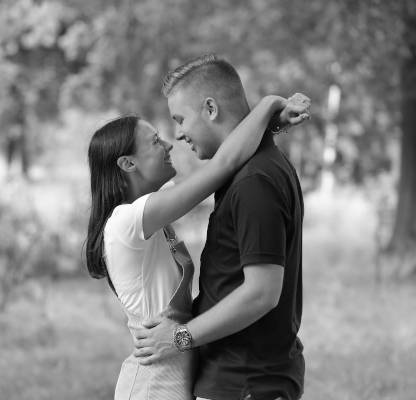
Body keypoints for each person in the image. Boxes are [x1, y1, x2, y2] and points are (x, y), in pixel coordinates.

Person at [85, 91, 310, 398]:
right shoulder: (126, 223)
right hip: (154, 381)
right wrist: (270, 105)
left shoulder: (150, 215)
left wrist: (271, 126)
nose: (169, 143)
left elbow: (231, 151)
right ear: (127, 163)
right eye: (154, 141)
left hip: (176, 370)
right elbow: (224, 165)